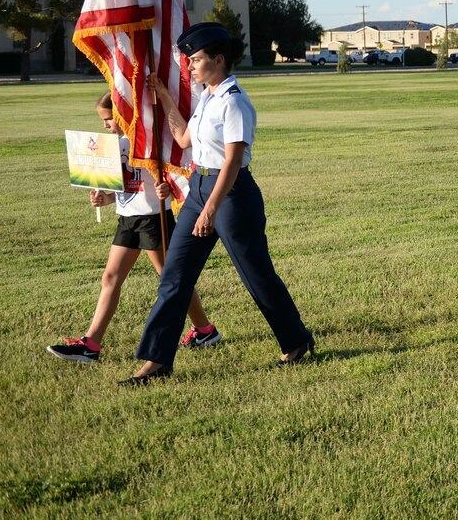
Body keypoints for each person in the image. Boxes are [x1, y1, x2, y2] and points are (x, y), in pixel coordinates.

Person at [119, 23, 313, 385]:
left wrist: (211, 209)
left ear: (218, 60)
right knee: (174, 277)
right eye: (189, 60)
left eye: (195, 59)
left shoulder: (235, 101)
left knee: (256, 275)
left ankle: (297, 341)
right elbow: (183, 137)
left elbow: (233, 161)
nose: (189, 66)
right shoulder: (206, 97)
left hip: (232, 196)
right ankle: (156, 361)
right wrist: (162, 93)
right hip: (198, 188)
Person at [47, 93, 221, 364]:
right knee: (110, 278)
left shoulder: (147, 142)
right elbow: (121, 188)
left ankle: (204, 330)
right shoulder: (113, 147)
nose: (105, 125)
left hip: (154, 219)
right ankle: (90, 345)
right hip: (127, 219)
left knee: (174, 281)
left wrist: (168, 189)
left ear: (123, 114)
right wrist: (104, 198)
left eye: (108, 119)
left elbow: (175, 175)